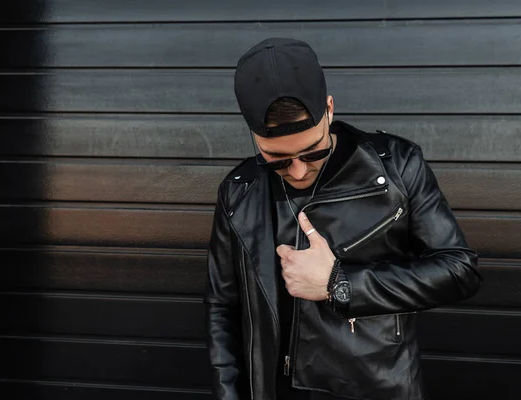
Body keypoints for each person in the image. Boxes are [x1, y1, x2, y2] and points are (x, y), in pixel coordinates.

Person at [204, 37, 482, 400]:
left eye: (312, 151)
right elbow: (223, 308)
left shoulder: (396, 166)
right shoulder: (239, 192)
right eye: (277, 159)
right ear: (254, 135)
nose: (300, 171)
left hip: (374, 388)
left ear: (329, 110)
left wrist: (340, 284)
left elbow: (460, 270)